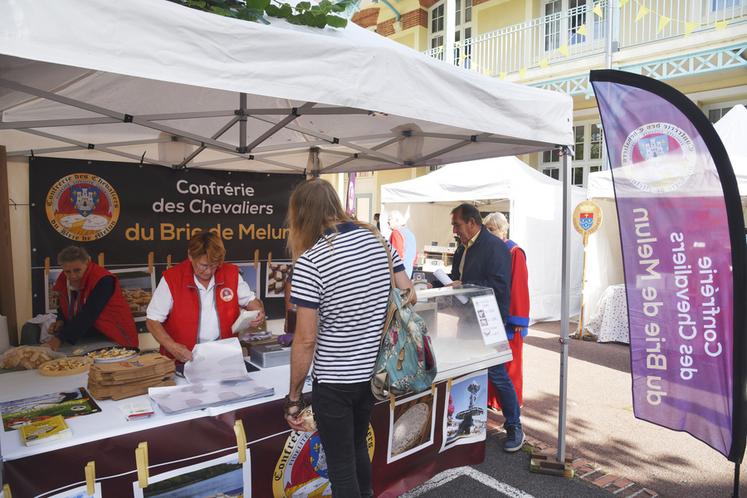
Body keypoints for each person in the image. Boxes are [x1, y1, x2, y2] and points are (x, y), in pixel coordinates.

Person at [283, 179, 412, 498]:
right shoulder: (379, 241)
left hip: (335, 383)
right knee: (356, 449)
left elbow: (305, 340)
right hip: (372, 374)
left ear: (301, 215)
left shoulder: (311, 261)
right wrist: (370, 314)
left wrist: (294, 398)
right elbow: (409, 294)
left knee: (341, 468)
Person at [433, 203, 524, 452]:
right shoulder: (464, 247)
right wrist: (441, 286)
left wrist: (465, 284)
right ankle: (465, 424)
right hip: (467, 319)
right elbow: (456, 277)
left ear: (472, 223)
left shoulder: (495, 247)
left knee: (496, 373)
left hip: (489, 320)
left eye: (457, 225)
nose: (454, 230)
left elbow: (498, 286)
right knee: (466, 371)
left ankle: (515, 426)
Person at [146, 231, 265, 362]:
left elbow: (251, 301)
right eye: (203, 266)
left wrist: (258, 312)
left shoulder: (231, 273)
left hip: (223, 357)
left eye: (214, 266)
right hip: (184, 359)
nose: (209, 271)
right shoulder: (172, 279)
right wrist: (173, 347)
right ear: (190, 256)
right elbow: (153, 321)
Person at [45, 246, 138, 350]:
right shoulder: (63, 278)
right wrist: (60, 321)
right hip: (87, 334)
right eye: (68, 271)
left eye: (77, 270)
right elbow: (64, 304)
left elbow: (89, 312)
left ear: (87, 262)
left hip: (113, 334)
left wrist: (60, 338)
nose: (73, 276)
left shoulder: (103, 279)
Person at [484, 212, 530, 409]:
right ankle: (494, 401)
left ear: (502, 230)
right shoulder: (493, 251)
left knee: (510, 365)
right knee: (495, 362)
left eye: (492, 229)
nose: (489, 233)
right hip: (494, 315)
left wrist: (518, 320)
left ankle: (512, 403)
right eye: (487, 230)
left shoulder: (514, 252)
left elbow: (519, 286)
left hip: (509, 320)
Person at [387, 210, 417, 278]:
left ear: (396, 220)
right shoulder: (410, 234)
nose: (388, 226)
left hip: (398, 272)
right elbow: (415, 255)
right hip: (408, 270)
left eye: (389, 222)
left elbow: (395, 255)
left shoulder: (396, 233)